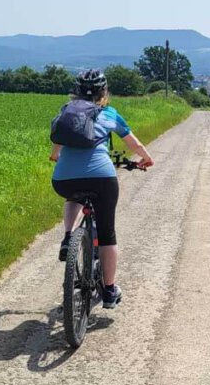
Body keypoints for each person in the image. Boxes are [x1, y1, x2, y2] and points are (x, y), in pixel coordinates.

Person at [49, 69, 154, 308]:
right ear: (104, 93)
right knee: (107, 234)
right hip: (102, 179)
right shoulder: (109, 114)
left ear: (75, 92)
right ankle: (109, 290)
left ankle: (68, 238)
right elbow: (133, 143)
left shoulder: (67, 113)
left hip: (64, 180)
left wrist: (56, 157)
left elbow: (56, 146)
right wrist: (146, 159)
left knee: (73, 196)